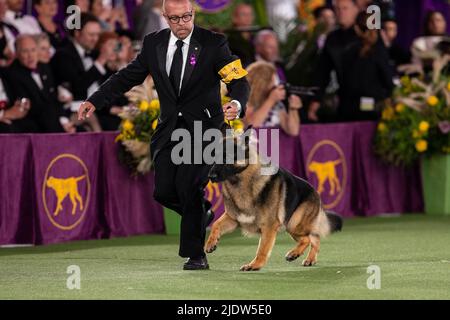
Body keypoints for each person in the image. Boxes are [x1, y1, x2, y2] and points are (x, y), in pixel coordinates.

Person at [78, 0, 250, 270]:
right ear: (164, 17)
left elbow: (239, 80)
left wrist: (237, 104)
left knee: (190, 187)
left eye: (186, 17)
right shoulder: (153, 43)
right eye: (175, 19)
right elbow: (127, 77)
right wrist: (95, 100)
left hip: (204, 130)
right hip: (168, 129)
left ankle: (197, 255)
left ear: (193, 14)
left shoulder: (214, 43)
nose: (182, 24)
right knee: (163, 192)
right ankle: (201, 214)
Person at [7, 34, 73, 133]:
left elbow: (53, 98)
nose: (30, 55)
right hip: (32, 123)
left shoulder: (45, 68)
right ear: (16, 53)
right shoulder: (12, 74)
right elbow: (28, 107)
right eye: (25, 51)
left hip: (51, 120)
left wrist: (64, 121)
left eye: (33, 50)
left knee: (81, 128)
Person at [244, 61, 301, 137]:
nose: (276, 84)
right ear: (261, 82)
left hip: (274, 146)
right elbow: (252, 125)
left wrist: (293, 109)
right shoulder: (244, 99)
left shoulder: (276, 103)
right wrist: (271, 100)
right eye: (272, 80)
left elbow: (293, 131)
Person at [225, 3, 257, 67]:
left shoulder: (256, 38)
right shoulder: (230, 42)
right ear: (235, 18)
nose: (248, 17)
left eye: (250, 14)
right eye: (244, 14)